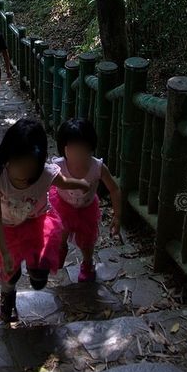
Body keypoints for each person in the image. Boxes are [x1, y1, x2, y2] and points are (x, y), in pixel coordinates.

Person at [0, 119, 90, 323]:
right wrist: (4, 251)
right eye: (19, 164)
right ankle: (7, 296)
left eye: (30, 167)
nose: (24, 172)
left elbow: (64, 181)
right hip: (8, 228)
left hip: (38, 224)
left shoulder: (45, 174)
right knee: (10, 271)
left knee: (39, 274)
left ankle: (36, 271)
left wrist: (81, 184)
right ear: (8, 156)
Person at [49, 118, 123, 283]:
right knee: (61, 234)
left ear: (91, 147)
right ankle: (60, 251)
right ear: (64, 149)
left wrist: (117, 216)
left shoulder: (97, 167)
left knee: (87, 241)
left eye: (82, 149)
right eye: (72, 149)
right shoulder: (57, 166)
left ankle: (87, 263)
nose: (78, 154)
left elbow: (114, 189)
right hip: (63, 205)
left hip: (87, 209)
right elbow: (43, 183)